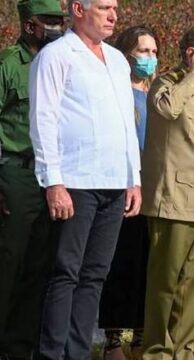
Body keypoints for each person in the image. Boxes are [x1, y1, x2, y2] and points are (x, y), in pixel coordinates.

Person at [28, 0, 142, 358]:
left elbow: (127, 123)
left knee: (95, 275)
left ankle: (76, 352)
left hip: (113, 182)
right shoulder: (56, 56)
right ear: (79, 8)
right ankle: (51, 354)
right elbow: (42, 119)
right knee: (66, 273)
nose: (114, 15)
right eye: (105, 7)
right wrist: (53, 182)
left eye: (116, 8)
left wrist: (133, 177)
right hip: (75, 181)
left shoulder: (119, 60)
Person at [140, 21, 194, 360]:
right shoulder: (168, 84)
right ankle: (157, 353)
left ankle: (183, 352)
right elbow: (166, 109)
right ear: (193, 54)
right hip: (175, 206)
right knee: (166, 288)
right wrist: (193, 75)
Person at [0, 1, 64, 359]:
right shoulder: (9, 65)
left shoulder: (61, 63)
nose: (57, 27)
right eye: (49, 21)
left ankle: (21, 346)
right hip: (16, 172)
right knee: (10, 261)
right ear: (29, 25)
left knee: (40, 264)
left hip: (52, 176)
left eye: (60, 20)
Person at [97, 25, 158, 360]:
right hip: (122, 189)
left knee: (146, 265)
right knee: (118, 263)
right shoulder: (117, 94)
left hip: (154, 192)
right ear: (126, 55)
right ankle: (112, 339)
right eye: (142, 51)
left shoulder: (154, 95)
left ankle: (139, 334)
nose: (149, 58)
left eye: (152, 52)